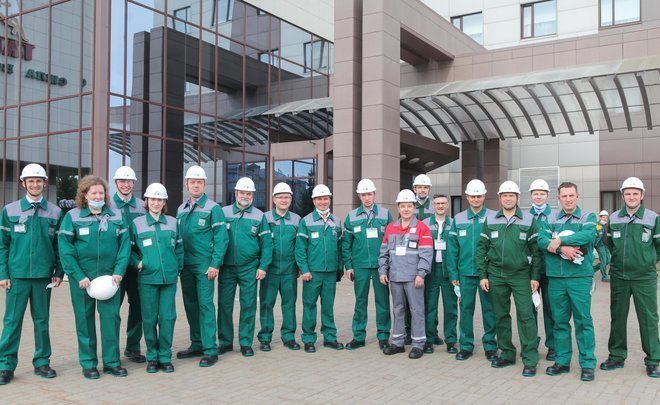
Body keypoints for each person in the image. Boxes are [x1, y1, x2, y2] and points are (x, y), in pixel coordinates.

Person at [58, 175, 131, 379]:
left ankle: (112, 362)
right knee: (84, 320)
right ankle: (89, 364)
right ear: (84, 195)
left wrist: (119, 271)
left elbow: (124, 246)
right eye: (94, 193)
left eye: (101, 192)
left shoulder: (116, 216)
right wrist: (78, 275)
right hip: (83, 280)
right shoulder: (72, 217)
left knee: (111, 319)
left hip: (110, 279)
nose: (98, 196)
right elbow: (66, 249)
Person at [0, 164, 62, 385]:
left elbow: (59, 246)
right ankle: (5, 366)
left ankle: (42, 362)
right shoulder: (9, 211)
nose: (35, 184)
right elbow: (3, 245)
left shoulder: (55, 212)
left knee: (42, 321)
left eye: (39, 181)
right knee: (12, 322)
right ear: (23, 183)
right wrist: (3, 273)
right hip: (17, 276)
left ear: (45, 183)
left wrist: (59, 272)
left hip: (43, 277)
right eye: (31, 181)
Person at [477, 181, 541, 377]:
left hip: (521, 275)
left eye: (511, 195)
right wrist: (483, 275)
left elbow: (537, 252)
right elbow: (481, 249)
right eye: (504, 195)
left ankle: (530, 358)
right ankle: (507, 353)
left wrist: (535, 277)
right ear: (499, 198)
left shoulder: (529, 220)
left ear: (517, 198)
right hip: (496, 275)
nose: (508, 198)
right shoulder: (490, 220)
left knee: (526, 316)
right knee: (501, 316)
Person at [599, 177, 659, 378]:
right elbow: (609, 244)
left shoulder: (653, 218)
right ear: (622, 195)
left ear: (642, 195)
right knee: (618, 317)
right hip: (619, 277)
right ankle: (616, 356)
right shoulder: (614, 218)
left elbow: (658, 248)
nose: (631, 197)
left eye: (635, 193)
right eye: (628, 193)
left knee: (649, 319)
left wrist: (647, 262)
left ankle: (653, 361)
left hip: (644, 278)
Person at [538, 182, 598, 381]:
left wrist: (560, 240)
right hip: (556, 278)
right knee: (560, 322)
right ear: (558, 198)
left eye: (571, 195)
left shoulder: (587, 217)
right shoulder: (550, 218)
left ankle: (587, 364)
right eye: (564, 196)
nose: (568, 199)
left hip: (579, 277)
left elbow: (587, 235)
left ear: (577, 196)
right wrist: (561, 249)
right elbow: (541, 240)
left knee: (583, 321)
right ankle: (562, 361)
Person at [176, 165, 227, 367]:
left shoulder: (213, 209)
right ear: (186, 184)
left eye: (199, 182)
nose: (195, 185)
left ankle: (210, 349)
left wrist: (215, 263)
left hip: (204, 265)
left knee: (205, 305)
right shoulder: (181, 209)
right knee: (190, 304)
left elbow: (221, 238)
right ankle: (196, 343)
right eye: (192, 182)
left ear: (205, 185)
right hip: (186, 265)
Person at [129, 183, 183, 373]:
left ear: (164, 202)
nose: (156, 203)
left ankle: (165, 357)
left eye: (160, 200)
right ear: (146, 200)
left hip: (168, 280)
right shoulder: (137, 223)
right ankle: (152, 357)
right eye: (153, 199)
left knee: (167, 318)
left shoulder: (173, 222)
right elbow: (130, 250)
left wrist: (176, 268)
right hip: (147, 279)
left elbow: (180, 248)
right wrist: (137, 262)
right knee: (149, 319)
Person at [219, 177, 272, 357]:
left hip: (249, 267)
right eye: (242, 193)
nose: (245, 196)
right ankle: (225, 342)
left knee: (248, 305)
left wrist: (263, 266)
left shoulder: (259, 216)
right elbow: (216, 238)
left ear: (253, 195)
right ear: (236, 193)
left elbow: (267, 244)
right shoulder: (223, 212)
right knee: (224, 305)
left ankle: (245, 343)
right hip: (226, 267)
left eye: (249, 193)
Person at [447, 179, 498, 362]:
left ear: (484, 196)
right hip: (465, 274)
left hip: (487, 275)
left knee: (489, 311)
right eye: (472, 196)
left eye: (479, 196)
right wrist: (453, 274)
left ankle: (490, 346)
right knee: (466, 310)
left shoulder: (494, 217)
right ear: (467, 197)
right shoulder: (458, 219)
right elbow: (452, 250)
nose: (476, 199)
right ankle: (466, 346)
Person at [379, 189, 433, 359]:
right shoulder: (390, 228)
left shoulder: (422, 228)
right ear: (398, 208)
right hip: (395, 277)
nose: (406, 209)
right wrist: (382, 271)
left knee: (416, 310)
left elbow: (426, 254)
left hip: (413, 278)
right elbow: (383, 253)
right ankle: (398, 343)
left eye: (409, 206)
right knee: (398, 310)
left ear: (414, 207)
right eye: (403, 206)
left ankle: (418, 344)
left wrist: (421, 274)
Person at [343, 179, 392, 351]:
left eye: (369, 194)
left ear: (374, 194)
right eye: (363, 195)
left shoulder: (385, 214)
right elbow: (346, 244)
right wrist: (348, 266)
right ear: (359, 196)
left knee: (383, 302)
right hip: (360, 265)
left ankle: (383, 336)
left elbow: (391, 241)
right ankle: (358, 336)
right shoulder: (351, 216)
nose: (367, 198)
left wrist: (389, 265)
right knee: (360, 301)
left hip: (380, 266)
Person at [295, 184, 344, 353]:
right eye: (319, 199)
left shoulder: (336, 221)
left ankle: (330, 337)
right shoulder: (306, 221)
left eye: (325, 198)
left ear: (329, 199)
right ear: (314, 201)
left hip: (330, 272)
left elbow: (340, 247)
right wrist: (304, 269)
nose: (323, 202)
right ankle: (309, 339)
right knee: (309, 305)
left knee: (328, 306)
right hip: (313, 273)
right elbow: (300, 249)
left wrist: (339, 269)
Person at [109, 166, 147, 363]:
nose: (126, 185)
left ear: (134, 183)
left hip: (137, 265)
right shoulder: (107, 205)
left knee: (138, 307)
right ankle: (111, 350)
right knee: (112, 309)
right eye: (122, 181)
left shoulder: (142, 206)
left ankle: (133, 348)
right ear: (116, 183)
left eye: (129, 181)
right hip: (115, 266)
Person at [257, 183, 301, 351]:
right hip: (270, 270)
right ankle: (265, 338)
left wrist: (299, 266)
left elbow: (300, 245)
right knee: (267, 304)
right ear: (274, 199)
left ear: (291, 199)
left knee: (289, 304)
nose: (284, 200)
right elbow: (260, 243)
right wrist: (262, 266)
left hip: (289, 270)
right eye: (280, 197)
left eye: (287, 197)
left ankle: (288, 337)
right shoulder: (265, 218)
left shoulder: (297, 220)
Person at [422, 194, 457, 354]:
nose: (440, 206)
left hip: (448, 270)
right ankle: (429, 340)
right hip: (431, 271)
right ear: (433, 206)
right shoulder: (425, 224)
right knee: (430, 306)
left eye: (443, 203)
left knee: (451, 307)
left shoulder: (454, 223)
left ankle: (451, 340)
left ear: (448, 205)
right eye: (437, 203)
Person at [528, 178, 556, 361]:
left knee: (550, 310)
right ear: (531, 195)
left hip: (549, 269)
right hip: (530, 271)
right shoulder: (524, 216)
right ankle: (531, 343)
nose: (538, 197)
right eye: (535, 193)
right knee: (529, 310)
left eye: (542, 193)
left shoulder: (555, 216)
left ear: (547, 195)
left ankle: (552, 346)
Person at [594, 210, 611, 281]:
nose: (605, 219)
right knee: (604, 260)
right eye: (603, 217)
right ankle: (604, 276)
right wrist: (596, 245)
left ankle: (592, 269)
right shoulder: (598, 225)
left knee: (608, 260)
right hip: (600, 245)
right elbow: (596, 236)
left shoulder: (605, 225)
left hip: (606, 245)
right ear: (600, 217)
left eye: (606, 217)